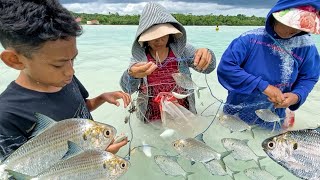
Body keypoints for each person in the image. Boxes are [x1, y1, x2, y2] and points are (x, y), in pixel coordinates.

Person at [0, 0, 130, 160]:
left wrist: (101, 98)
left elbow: (81, 110)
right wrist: (95, 161)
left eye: (73, 59)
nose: (70, 71)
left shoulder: (64, 78)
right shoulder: (7, 116)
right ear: (14, 60)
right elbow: (18, 172)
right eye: (57, 65)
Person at [217, 0, 320, 130]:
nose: (295, 29)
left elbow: (309, 77)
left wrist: (296, 96)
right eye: (292, 22)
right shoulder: (249, 39)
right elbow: (226, 68)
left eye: (303, 24)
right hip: (235, 114)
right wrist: (263, 86)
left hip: (274, 118)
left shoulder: (307, 47)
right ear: (276, 15)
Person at [120, 2, 216, 122]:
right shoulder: (139, 57)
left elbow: (208, 69)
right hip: (151, 117)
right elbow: (127, 89)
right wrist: (131, 74)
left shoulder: (183, 51)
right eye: (153, 36)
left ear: (170, 33)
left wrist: (207, 55)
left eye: (163, 35)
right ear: (144, 36)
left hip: (183, 112)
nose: (159, 40)